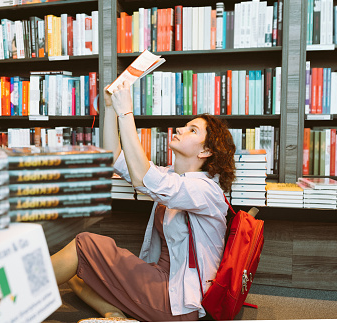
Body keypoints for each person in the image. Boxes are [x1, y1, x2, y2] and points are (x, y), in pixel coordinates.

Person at [50, 81, 236, 322]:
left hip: (178, 301)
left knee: (83, 245)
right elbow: (114, 158)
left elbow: (141, 176)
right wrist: (110, 109)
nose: (180, 129)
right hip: (159, 279)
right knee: (78, 271)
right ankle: (114, 315)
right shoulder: (172, 176)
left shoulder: (204, 189)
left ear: (205, 152)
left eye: (192, 130)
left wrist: (127, 112)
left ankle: (6, 300)